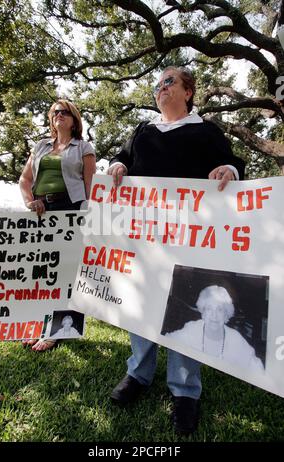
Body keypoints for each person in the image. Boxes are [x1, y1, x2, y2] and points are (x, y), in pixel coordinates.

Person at [107, 66, 245, 435]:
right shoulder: (143, 132)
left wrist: (228, 170)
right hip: (144, 240)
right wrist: (119, 163)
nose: (160, 87)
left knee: (181, 308)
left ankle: (185, 391)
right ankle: (138, 374)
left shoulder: (206, 131)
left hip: (188, 241)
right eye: (158, 84)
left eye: (169, 81)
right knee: (142, 306)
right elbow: (124, 157)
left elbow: (233, 164)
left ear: (188, 91)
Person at [19, 99, 96, 351]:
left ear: (74, 120)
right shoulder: (40, 146)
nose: (58, 115)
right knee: (41, 272)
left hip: (70, 209)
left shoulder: (83, 147)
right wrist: (31, 202)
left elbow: (90, 187)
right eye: (54, 112)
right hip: (42, 212)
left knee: (65, 273)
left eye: (64, 112)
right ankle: (39, 325)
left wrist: (88, 218)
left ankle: (59, 328)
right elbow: (25, 179)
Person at [165, 285, 264, 372]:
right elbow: (169, 340)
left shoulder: (235, 339)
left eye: (220, 310)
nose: (214, 316)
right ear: (203, 313)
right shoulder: (192, 329)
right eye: (209, 309)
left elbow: (256, 368)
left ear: (226, 314)